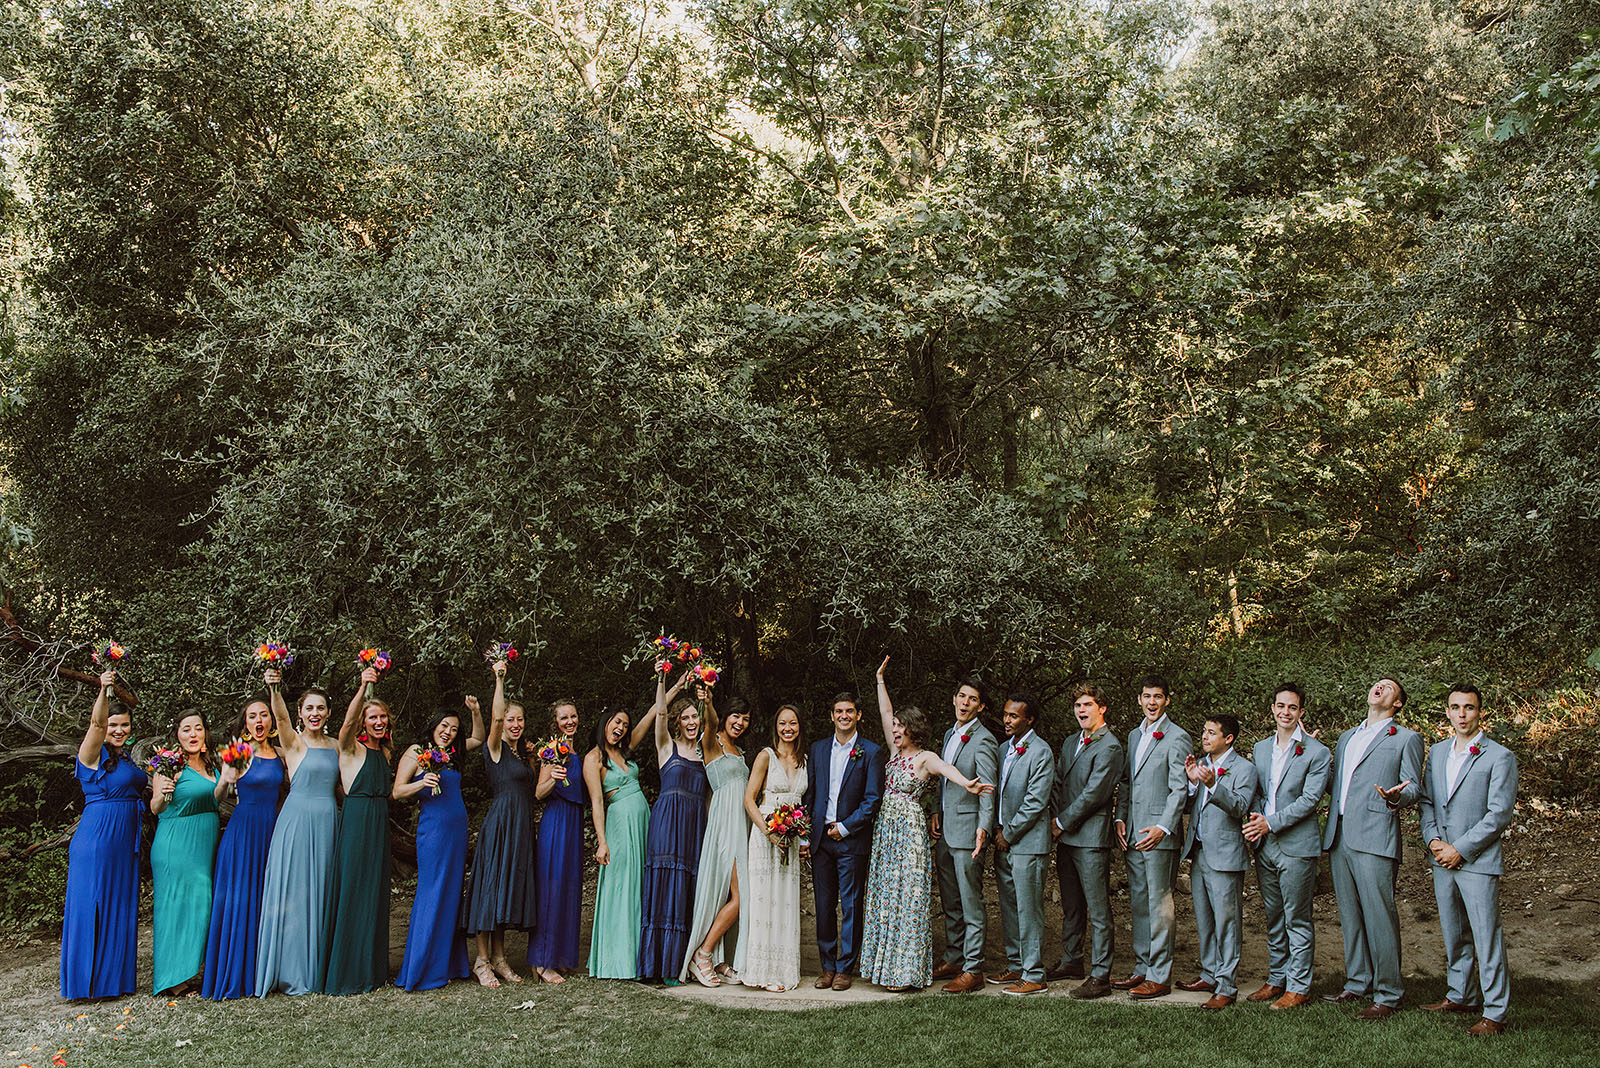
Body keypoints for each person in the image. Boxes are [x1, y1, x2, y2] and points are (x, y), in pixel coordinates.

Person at [860, 657, 994, 992]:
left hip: (908, 833)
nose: (894, 729)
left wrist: (968, 784)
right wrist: (879, 680)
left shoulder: (925, 757)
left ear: (911, 729)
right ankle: (884, 968)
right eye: (894, 726)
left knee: (908, 898)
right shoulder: (895, 752)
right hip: (885, 833)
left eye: (900, 726)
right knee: (885, 896)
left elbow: (948, 771)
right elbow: (885, 713)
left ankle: (905, 972)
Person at [1321, 675, 1424, 1020]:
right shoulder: (1347, 737)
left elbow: (1413, 787)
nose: (1379, 687)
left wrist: (1398, 796)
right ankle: (1357, 981)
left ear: (1397, 704)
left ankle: (1388, 992)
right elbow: (1335, 782)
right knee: (1350, 915)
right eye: (1377, 683)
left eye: (1389, 687)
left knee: (1380, 916)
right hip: (1339, 835)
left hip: (1376, 834)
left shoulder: (1406, 738)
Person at [1418, 684, 1518, 1037]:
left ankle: (1495, 1012)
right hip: (1441, 857)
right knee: (1454, 932)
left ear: (1480, 712)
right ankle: (1461, 994)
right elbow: (1428, 801)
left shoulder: (1499, 756)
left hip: (1476, 859)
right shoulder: (1440, 752)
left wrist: (1459, 848)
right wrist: (1433, 840)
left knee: (1486, 937)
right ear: (1447, 712)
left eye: (1469, 708)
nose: (1462, 714)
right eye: (1455, 707)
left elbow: (1498, 814)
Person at [1241, 682, 1331, 1010]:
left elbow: (1309, 800)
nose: (1285, 712)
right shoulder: (1261, 748)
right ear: (1272, 709)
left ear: (1301, 712)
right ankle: (1277, 977)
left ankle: (1299, 985)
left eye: (1292, 707)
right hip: (1265, 845)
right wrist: (1256, 819)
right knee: (1274, 915)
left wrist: (1271, 822)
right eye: (1280, 706)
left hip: (1297, 846)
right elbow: (1261, 791)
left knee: (1297, 917)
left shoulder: (1317, 752)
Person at [392, 698, 485, 991]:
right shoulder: (417, 752)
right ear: (434, 725)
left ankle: (449, 965)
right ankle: (421, 968)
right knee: (431, 893)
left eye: (455, 729)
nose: (449, 732)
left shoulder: (452, 754)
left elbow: (480, 738)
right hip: (433, 833)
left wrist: (475, 712)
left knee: (452, 894)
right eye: (444, 725)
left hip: (457, 833)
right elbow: (397, 792)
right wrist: (422, 782)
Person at [61, 668, 143, 1000]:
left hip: (123, 842)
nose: (119, 730)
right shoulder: (91, 756)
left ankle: (112, 982)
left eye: (124, 725)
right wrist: (104, 690)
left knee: (117, 905)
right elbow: (96, 725)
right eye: (114, 725)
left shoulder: (124, 758)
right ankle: (85, 984)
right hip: (98, 840)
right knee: (92, 904)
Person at [255, 677, 340, 996]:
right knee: (294, 893)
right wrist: (275, 687)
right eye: (309, 708)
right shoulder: (292, 742)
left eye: (320, 708)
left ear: (329, 713)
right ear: (300, 713)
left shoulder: (335, 745)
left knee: (320, 890)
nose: (315, 713)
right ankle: (289, 970)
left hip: (327, 821)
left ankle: (317, 966)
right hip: (296, 821)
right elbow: (279, 718)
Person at [1113, 674, 1191, 1000]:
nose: (1152, 703)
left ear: (1167, 700)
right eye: (1147, 696)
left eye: (1158, 697)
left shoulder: (1178, 737)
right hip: (1132, 832)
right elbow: (1128, 782)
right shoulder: (1134, 735)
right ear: (1140, 699)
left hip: (1160, 835)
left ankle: (1160, 975)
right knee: (1139, 902)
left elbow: (1179, 788)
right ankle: (1143, 967)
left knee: (1160, 906)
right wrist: (1120, 818)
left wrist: (1163, 827)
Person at [202, 695, 285, 999]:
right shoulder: (239, 752)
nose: (259, 721)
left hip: (272, 831)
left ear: (271, 721)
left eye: (264, 715)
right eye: (253, 716)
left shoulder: (280, 753)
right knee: (239, 901)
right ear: (245, 722)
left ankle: (262, 972)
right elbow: (218, 795)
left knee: (266, 901)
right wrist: (227, 779)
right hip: (243, 833)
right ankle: (234, 974)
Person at [802, 688, 884, 991]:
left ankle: (845, 967)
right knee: (823, 905)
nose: (844, 716)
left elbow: (872, 800)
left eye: (849, 711)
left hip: (851, 841)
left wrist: (846, 827)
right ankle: (827, 965)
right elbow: (812, 796)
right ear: (832, 716)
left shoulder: (871, 752)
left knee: (850, 904)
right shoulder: (819, 749)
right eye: (839, 712)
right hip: (822, 840)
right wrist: (808, 835)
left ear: (858, 715)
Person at [321, 668, 394, 995]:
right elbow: (346, 724)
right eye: (372, 717)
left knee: (375, 893)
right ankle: (346, 972)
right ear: (364, 723)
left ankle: (372, 970)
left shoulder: (387, 754)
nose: (378, 721)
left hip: (380, 824)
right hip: (356, 822)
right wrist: (364, 686)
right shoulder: (351, 749)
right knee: (352, 890)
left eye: (382, 717)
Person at [1048, 682, 1123, 999]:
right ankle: (1071, 961)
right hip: (1066, 837)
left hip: (1091, 838)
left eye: (1088, 704)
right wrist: (1054, 816)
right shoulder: (1069, 742)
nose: (1081, 710)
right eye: (1078, 705)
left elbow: (1095, 794)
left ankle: (1101, 975)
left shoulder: (1110, 747)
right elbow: (1059, 781)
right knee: (1071, 906)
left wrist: (1061, 821)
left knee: (1098, 909)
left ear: (1101, 708)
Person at [466, 659, 539, 986]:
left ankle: (499, 958)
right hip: (500, 824)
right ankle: (481, 961)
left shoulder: (526, 754)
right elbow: (494, 718)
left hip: (521, 826)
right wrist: (499, 679)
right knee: (490, 888)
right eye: (511, 719)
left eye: (520, 719)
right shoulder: (494, 749)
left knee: (506, 890)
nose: (515, 723)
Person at [1178, 714, 1259, 1009]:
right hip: (1198, 852)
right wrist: (1191, 783)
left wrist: (1213, 786)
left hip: (1225, 856)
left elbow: (1239, 806)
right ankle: (1209, 973)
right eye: (1203, 731)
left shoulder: (1245, 769)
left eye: (1211, 733)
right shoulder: (1200, 765)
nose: (1205, 736)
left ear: (1229, 739)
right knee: (1206, 920)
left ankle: (1226, 985)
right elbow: (1190, 806)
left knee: (1227, 923)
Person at [930, 676, 998, 994]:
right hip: (946, 830)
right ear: (954, 698)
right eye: (961, 696)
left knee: (971, 902)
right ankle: (955, 957)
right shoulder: (949, 734)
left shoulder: (983, 740)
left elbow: (987, 789)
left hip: (969, 833)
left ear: (980, 706)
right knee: (951, 901)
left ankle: (973, 968)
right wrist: (936, 810)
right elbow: (945, 777)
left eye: (972, 699)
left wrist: (983, 828)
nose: (964, 702)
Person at [734, 704, 808, 991]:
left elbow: (801, 805)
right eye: (782, 723)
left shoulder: (804, 760)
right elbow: (749, 800)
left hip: (789, 840)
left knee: (786, 902)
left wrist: (798, 838)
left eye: (792, 723)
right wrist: (769, 834)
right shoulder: (766, 756)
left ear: (800, 726)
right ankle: (760, 970)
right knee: (764, 901)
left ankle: (782, 971)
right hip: (766, 837)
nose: (787, 728)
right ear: (775, 726)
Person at [638, 672, 707, 983]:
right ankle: (655, 966)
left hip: (695, 825)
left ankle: (676, 966)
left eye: (695, 716)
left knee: (687, 892)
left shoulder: (706, 752)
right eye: (686, 717)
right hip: (667, 822)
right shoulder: (667, 745)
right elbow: (660, 712)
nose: (691, 721)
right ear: (678, 721)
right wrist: (665, 680)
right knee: (665, 887)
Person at [149, 710, 224, 995]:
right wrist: (160, 794)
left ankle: (188, 970)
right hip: (176, 844)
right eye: (186, 730)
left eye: (198, 728)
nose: (193, 734)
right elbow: (156, 807)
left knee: (199, 906)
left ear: (205, 733)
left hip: (203, 847)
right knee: (175, 909)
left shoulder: (212, 764)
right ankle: (173, 979)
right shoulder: (169, 766)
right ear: (177, 736)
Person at [681, 689, 753, 986]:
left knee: (731, 894)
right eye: (736, 716)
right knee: (740, 896)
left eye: (746, 719)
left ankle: (721, 959)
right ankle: (703, 953)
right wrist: (709, 702)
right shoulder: (712, 743)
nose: (740, 722)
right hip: (726, 825)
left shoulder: (740, 751)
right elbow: (709, 723)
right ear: (725, 717)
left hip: (742, 824)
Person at [989, 691, 1055, 995]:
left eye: (1014, 716)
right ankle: (1016, 964)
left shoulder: (1041, 752)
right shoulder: (1003, 750)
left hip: (1027, 842)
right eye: (1005, 714)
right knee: (1010, 907)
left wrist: (1009, 833)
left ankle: (1034, 974)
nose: (1007, 720)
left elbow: (1035, 802)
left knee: (1029, 910)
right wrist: (996, 830)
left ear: (1030, 719)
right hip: (1002, 840)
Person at [585, 704, 658, 978]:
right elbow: (596, 803)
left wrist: (670, 684)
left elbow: (649, 717)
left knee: (639, 885)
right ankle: (617, 961)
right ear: (605, 722)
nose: (621, 728)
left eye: (625, 725)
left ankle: (640, 957)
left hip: (642, 824)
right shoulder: (594, 759)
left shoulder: (624, 753)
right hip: (619, 826)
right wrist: (602, 842)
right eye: (617, 722)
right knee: (622, 886)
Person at [529, 697, 586, 983]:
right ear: (556, 722)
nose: (570, 722)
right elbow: (539, 792)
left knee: (569, 887)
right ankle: (542, 961)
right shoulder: (551, 750)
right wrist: (553, 775)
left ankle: (561, 956)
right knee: (551, 889)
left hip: (575, 821)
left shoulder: (576, 752)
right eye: (564, 718)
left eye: (573, 716)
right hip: (556, 822)